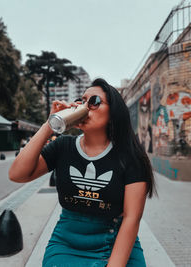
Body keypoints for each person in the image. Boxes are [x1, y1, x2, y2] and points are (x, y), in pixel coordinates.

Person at [9, 78, 157, 267]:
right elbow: (17, 174)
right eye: (82, 100)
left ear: (113, 113)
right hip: (67, 242)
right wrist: (50, 124)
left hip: (115, 239)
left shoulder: (130, 156)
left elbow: (131, 218)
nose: (85, 106)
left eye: (94, 102)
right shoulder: (63, 147)